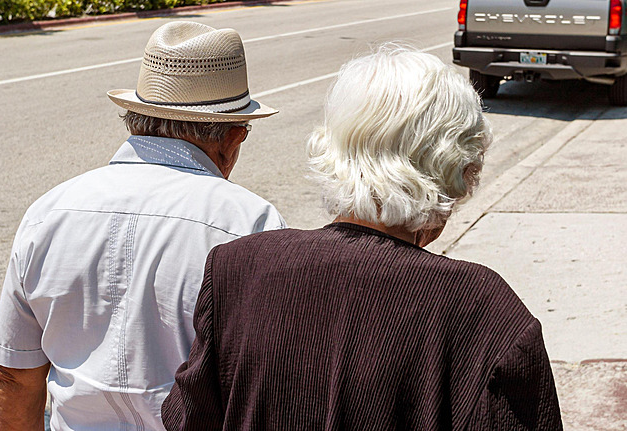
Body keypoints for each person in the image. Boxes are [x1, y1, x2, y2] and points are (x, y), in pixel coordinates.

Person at [161, 45, 563, 430]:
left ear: (333, 146)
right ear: (461, 166)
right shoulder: (484, 312)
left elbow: (189, 418)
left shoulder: (237, 269)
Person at [0, 21, 285, 431]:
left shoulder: (47, 213)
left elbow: (14, 376)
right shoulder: (251, 223)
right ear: (234, 136)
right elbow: (268, 380)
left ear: (135, 117)